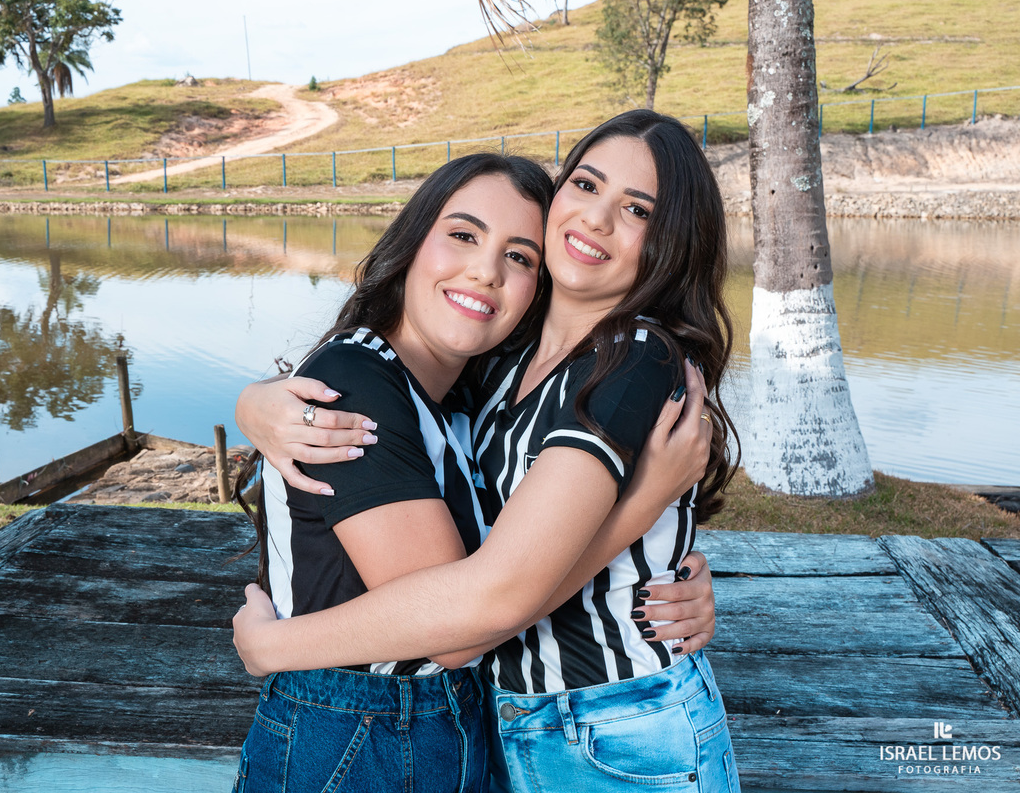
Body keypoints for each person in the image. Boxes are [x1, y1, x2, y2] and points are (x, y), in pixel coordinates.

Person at [234, 110, 740, 792]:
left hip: (607, 725)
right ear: (413, 241)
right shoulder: (486, 368)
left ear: (669, 242)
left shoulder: (622, 361)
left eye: (637, 209)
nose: (596, 219)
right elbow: (470, 614)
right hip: (439, 726)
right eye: (586, 185)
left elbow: (487, 602)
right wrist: (256, 402)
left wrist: (273, 647)